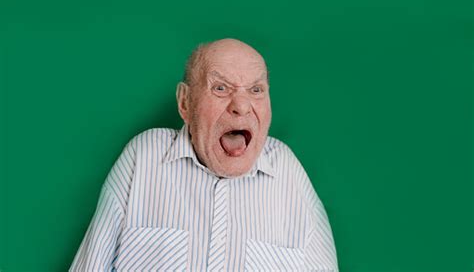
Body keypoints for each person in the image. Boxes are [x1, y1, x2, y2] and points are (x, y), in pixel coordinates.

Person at [69, 38, 338, 271]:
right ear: (185, 102)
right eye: (221, 88)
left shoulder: (288, 173)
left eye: (256, 90)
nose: (242, 106)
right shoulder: (144, 158)